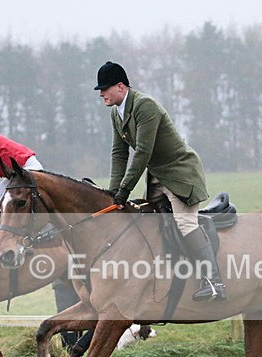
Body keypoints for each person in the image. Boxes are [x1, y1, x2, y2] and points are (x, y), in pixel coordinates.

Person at [94, 61, 227, 302]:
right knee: (147, 220)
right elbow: (119, 153)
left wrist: (124, 189)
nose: (101, 93)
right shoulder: (117, 112)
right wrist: (112, 193)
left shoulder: (145, 106)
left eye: (105, 88)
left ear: (121, 87)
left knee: (185, 223)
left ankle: (214, 282)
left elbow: (143, 152)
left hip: (179, 173)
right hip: (157, 176)